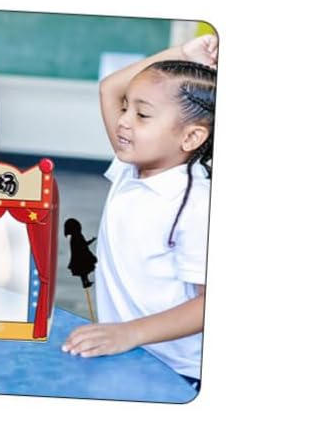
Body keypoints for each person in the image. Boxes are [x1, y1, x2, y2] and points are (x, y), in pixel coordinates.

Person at [62, 33, 216, 389]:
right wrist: (183, 53)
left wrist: (130, 333)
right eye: (126, 108)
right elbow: (109, 88)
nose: (124, 121)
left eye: (142, 114)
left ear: (191, 137)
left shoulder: (196, 203)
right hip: (128, 353)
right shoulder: (130, 169)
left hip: (178, 373)